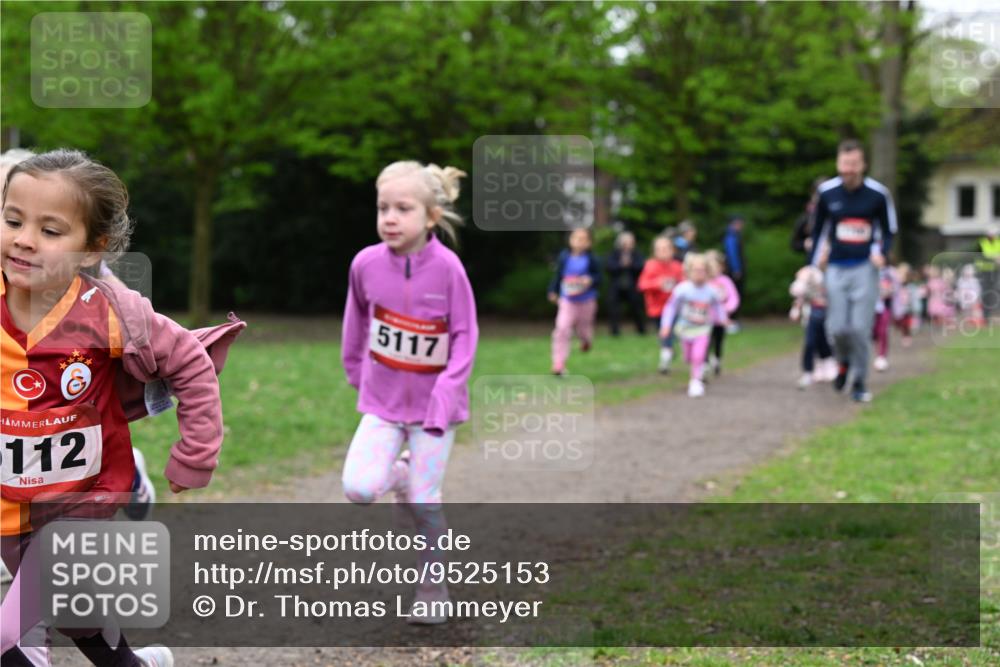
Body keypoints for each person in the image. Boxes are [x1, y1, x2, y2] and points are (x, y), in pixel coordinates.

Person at [1, 149, 244, 667]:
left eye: (50, 230)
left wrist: (196, 454)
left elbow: (192, 363)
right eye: (13, 220)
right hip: (10, 500)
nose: (23, 239)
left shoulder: (109, 312)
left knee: (10, 634)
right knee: (76, 612)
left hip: (81, 497)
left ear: (92, 250)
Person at [340, 161, 477, 625]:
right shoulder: (365, 264)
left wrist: (445, 396)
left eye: (403, 208)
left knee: (425, 499)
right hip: (382, 405)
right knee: (358, 489)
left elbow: (464, 338)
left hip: (435, 412)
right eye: (383, 208)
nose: (390, 218)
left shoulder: (449, 270)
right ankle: (396, 476)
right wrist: (359, 376)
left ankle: (432, 589)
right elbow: (355, 325)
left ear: (431, 216)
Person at [810, 139, 897, 403]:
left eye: (854, 164)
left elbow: (889, 229)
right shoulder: (827, 193)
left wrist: (881, 253)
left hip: (865, 268)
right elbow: (818, 231)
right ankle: (843, 362)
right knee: (836, 328)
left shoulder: (878, 194)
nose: (849, 170)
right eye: (845, 164)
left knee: (860, 329)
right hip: (835, 267)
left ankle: (859, 379)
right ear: (838, 163)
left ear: (863, 165)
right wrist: (813, 264)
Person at [659, 253, 729, 398]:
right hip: (685, 329)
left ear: (708, 272)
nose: (699, 274)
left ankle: (695, 382)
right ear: (689, 272)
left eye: (702, 270)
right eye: (696, 270)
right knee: (688, 357)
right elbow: (671, 307)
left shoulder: (711, 291)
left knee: (699, 355)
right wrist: (666, 326)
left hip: (703, 329)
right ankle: (695, 368)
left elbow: (718, 306)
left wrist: (723, 319)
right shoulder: (682, 289)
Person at [547, 227, 601, 376]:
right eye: (576, 238)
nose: (579, 242)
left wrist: (589, 280)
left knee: (584, 329)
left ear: (589, 243)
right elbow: (558, 275)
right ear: (570, 240)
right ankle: (558, 363)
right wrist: (552, 290)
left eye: (584, 239)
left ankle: (586, 340)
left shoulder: (592, 259)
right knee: (562, 329)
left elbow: (599, 278)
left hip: (586, 301)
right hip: (567, 300)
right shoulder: (564, 257)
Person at [637, 235, 684, 373]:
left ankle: (666, 355)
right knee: (663, 333)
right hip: (656, 308)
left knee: (671, 331)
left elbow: (685, 284)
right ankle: (667, 353)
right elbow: (641, 285)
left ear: (672, 250)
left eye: (666, 248)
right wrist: (657, 283)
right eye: (660, 249)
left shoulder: (677, 267)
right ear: (654, 251)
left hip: (675, 308)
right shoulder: (650, 266)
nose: (663, 251)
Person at [789, 265, 837, 388]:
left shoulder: (834, 275)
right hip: (812, 316)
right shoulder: (809, 273)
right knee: (810, 342)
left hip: (828, 316)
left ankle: (826, 367)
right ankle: (808, 371)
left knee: (825, 342)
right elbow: (797, 292)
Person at [604, 230, 646, 336]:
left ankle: (641, 329)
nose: (628, 245)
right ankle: (614, 331)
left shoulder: (636, 254)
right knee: (614, 308)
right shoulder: (614, 253)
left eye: (631, 242)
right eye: (626, 242)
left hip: (632, 286)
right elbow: (609, 267)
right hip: (616, 286)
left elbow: (642, 267)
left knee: (637, 307)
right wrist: (621, 264)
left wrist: (630, 264)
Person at [705, 250, 740, 377]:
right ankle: (705, 362)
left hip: (721, 319)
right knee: (706, 341)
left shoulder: (725, 281)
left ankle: (717, 359)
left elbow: (733, 298)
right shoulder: (703, 282)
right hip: (705, 319)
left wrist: (726, 309)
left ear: (721, 267)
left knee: (718, 341)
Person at [791, 177, 828, 256]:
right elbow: (794, 244)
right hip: (815, 262)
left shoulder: (841, 214)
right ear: (812, 196)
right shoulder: (807, 217)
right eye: (818, 195)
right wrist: (806, 243)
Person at [722, 215, 746, 332]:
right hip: (734, 271)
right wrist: (737, 269)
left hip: (735, 270)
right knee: (734, 295)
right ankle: (731, 321)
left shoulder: (734, 235)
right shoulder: (731, 236)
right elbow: (732, 254)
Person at [977, 224, 1000, 320]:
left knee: (995, 292)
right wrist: (994, 259)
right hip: (984, 271)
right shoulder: (981, 243)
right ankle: (985, 316)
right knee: (986, 292)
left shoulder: (998, 242)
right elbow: (980, 256)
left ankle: (994, 314)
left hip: (996, 271)